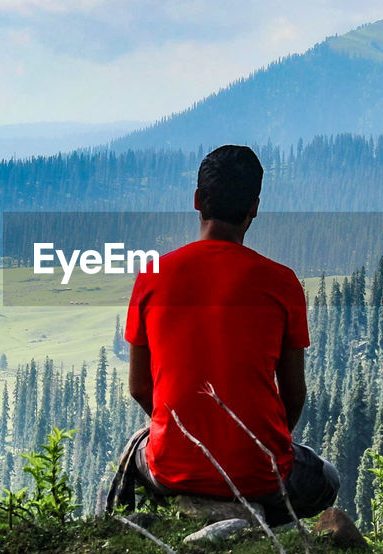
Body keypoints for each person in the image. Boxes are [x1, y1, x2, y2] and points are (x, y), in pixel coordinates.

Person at [107, 144, 339, 526]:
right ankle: (259, 527)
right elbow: (294, 395)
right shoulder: (281, 283)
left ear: (198, 200)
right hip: (260, 474)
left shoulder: (152, 276)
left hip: (172, 469)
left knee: (138, 447)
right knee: (327, 478)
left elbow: (138, 387)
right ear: (255, 207)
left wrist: (184, 433)